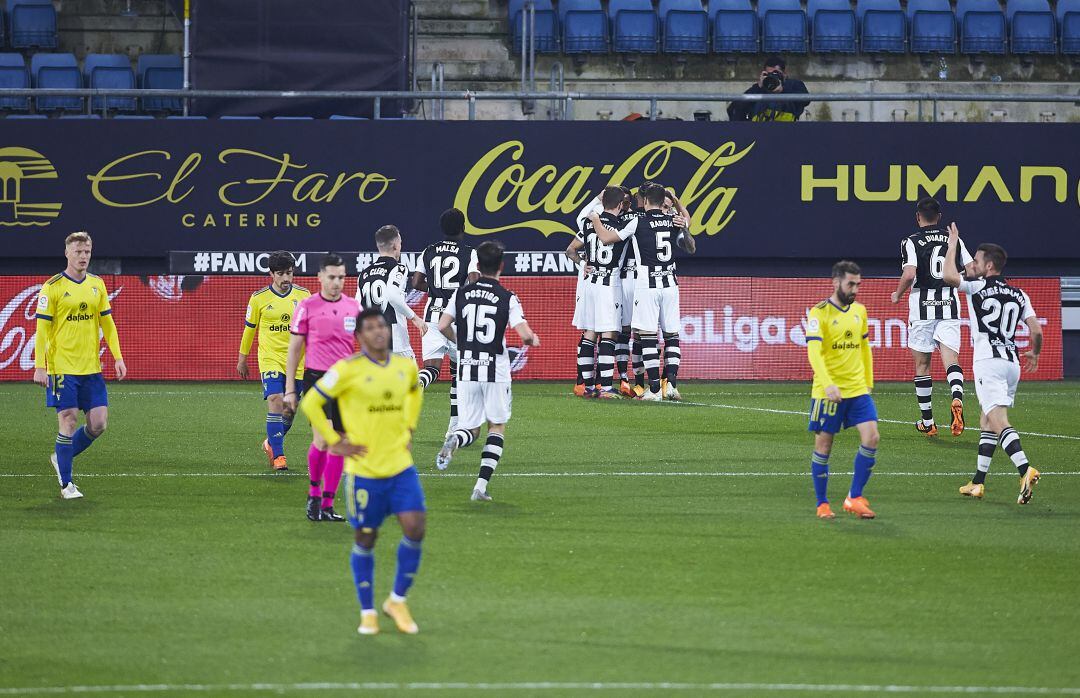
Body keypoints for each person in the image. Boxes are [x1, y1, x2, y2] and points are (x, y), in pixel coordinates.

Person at [299, 308, 425, 636]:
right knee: (366, 538)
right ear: (359, 337)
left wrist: (409, 429)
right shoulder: (346, 370)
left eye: (382, 326)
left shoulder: (405, 366)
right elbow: (310, 402)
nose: (378, 332)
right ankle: (367, 611)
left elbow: (414, 393)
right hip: (364, 472)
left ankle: (397, 600)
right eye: (370, 328)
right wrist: (332, 441)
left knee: (415, 528)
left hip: (401, 468)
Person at [943, 225, 1043, 504]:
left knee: (998, 420)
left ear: (988, 265)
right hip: (1012, 363)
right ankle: (978, 482)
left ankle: (1025, 469)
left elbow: (948, 276)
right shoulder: (1019, 294)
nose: (972, 265)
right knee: (986, 420)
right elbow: (1036, 331)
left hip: (988, 361)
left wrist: (952, 244)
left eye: (975, 261)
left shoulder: (977, 287)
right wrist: (1034, 353)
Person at [435, 240, 540, 501]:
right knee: (496, 426)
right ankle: (480, 487)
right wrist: (532, 339)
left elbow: (442, 325)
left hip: (467, 368)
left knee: (470, 429)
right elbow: (524, 334)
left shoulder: (460, 294)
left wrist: (460, 341)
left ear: (478, 266)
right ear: (501, 266)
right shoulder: (507, 297)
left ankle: (454, 441)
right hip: (495, 370)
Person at [33, 231, 127, 500]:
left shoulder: (97, 285)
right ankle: (67, 485)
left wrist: (118, 357)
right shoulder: (52, 287)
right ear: (67, 253)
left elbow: (107, 324)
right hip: (63, 368)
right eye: (78, 251)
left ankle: (60, 457)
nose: (83, 256)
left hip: (91, 369)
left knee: (98, 424)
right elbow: (41, 331)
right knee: (69, 420)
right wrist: (41, 366)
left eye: (87, 251)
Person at [589, 183, 694, 401]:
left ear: (645, 201)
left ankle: (654, 389)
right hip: (670, 284)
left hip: (648, 284)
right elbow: (688, 225)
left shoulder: (638, 220)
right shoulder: (672, 218)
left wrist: (596, 219)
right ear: (663, 201)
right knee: (671, 335)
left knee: (647, 336)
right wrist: (676, 203)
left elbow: (607, 238)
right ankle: (671, 386)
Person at [285, 253, 361, 522]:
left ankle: (327, 505)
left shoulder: (354, 307)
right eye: (331, 277)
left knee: (341, 442)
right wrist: (290, 389)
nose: (337, 282)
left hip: (345, 383)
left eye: (341, 277)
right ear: (319, 277)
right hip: (317, 380)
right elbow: (294, 350)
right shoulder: (307, 306)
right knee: (323, 439)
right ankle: (313, 496)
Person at [890, 198, 975, 437]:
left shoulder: (911, 241)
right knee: (951, 359)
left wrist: (897, 294)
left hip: (922, 307)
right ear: (939, 217)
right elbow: (972, 269)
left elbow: (909, 274)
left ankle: (928, 422)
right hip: (949, 304)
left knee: (922, 365)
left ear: (918, 217)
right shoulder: (953, 240)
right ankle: (956, 397)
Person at [805, 260, 880, 520]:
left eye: (858, 284)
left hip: (857, 389)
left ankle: (854, 497)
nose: (855, 289)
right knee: (824, 447)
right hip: (828, 392)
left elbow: (864, 349)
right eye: (851, 283)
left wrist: (868, 383)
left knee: (871, 438)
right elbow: (814, 354)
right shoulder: (819, 313)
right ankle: (822, 503)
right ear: (836, 282)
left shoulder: (860, 311)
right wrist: (827, 384)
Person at [237, 250, 310, 471]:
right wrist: (243, 359)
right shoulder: (258, 298)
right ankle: (279, 455)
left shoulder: (304, 296)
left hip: (297, 360)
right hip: (270, 358)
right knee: (276, 399)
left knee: (289, 409)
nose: (286, 278)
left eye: (289, 273)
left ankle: (271, 442)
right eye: (281, 274)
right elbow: (250, 330)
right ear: (271, 274)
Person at [411, 208, 479, 437]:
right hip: (457, 319)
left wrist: (436, 290)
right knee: (460, 372)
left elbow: (416, 282)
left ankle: (417, 385)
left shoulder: (428, 251)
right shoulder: (470, 253)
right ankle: (454, 426)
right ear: (463, 227)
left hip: (432, 316)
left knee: (431, 368)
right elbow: (473, 283)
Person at [566, 185, 632, 398]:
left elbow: (570, 250)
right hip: (608, 284)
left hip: (590, 284)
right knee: (610, 333)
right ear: (621, 204)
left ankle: (585, 386)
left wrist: (583, 261)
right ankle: (605, 387)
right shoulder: (623, 223)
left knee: (590, 332)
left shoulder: (587, 222)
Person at [357, 225, 428, 358]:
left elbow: (357, 306)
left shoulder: (364, 273)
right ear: (395, 245)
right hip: (395, 339)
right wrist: (415, 318)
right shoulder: (399, 268)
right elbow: (393, 296)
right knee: (410, 377)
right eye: (400, 243)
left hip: (371, 339)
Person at [726, 55, 810, 123]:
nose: (773, 77)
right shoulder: (759, 88)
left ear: (784, 74)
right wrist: (758, 87)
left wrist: (783, 91)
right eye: (769, 74)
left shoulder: (793, 85)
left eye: (776, 73)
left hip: (786, 131)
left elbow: (806, 100)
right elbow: (734, 108)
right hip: (760, 131)